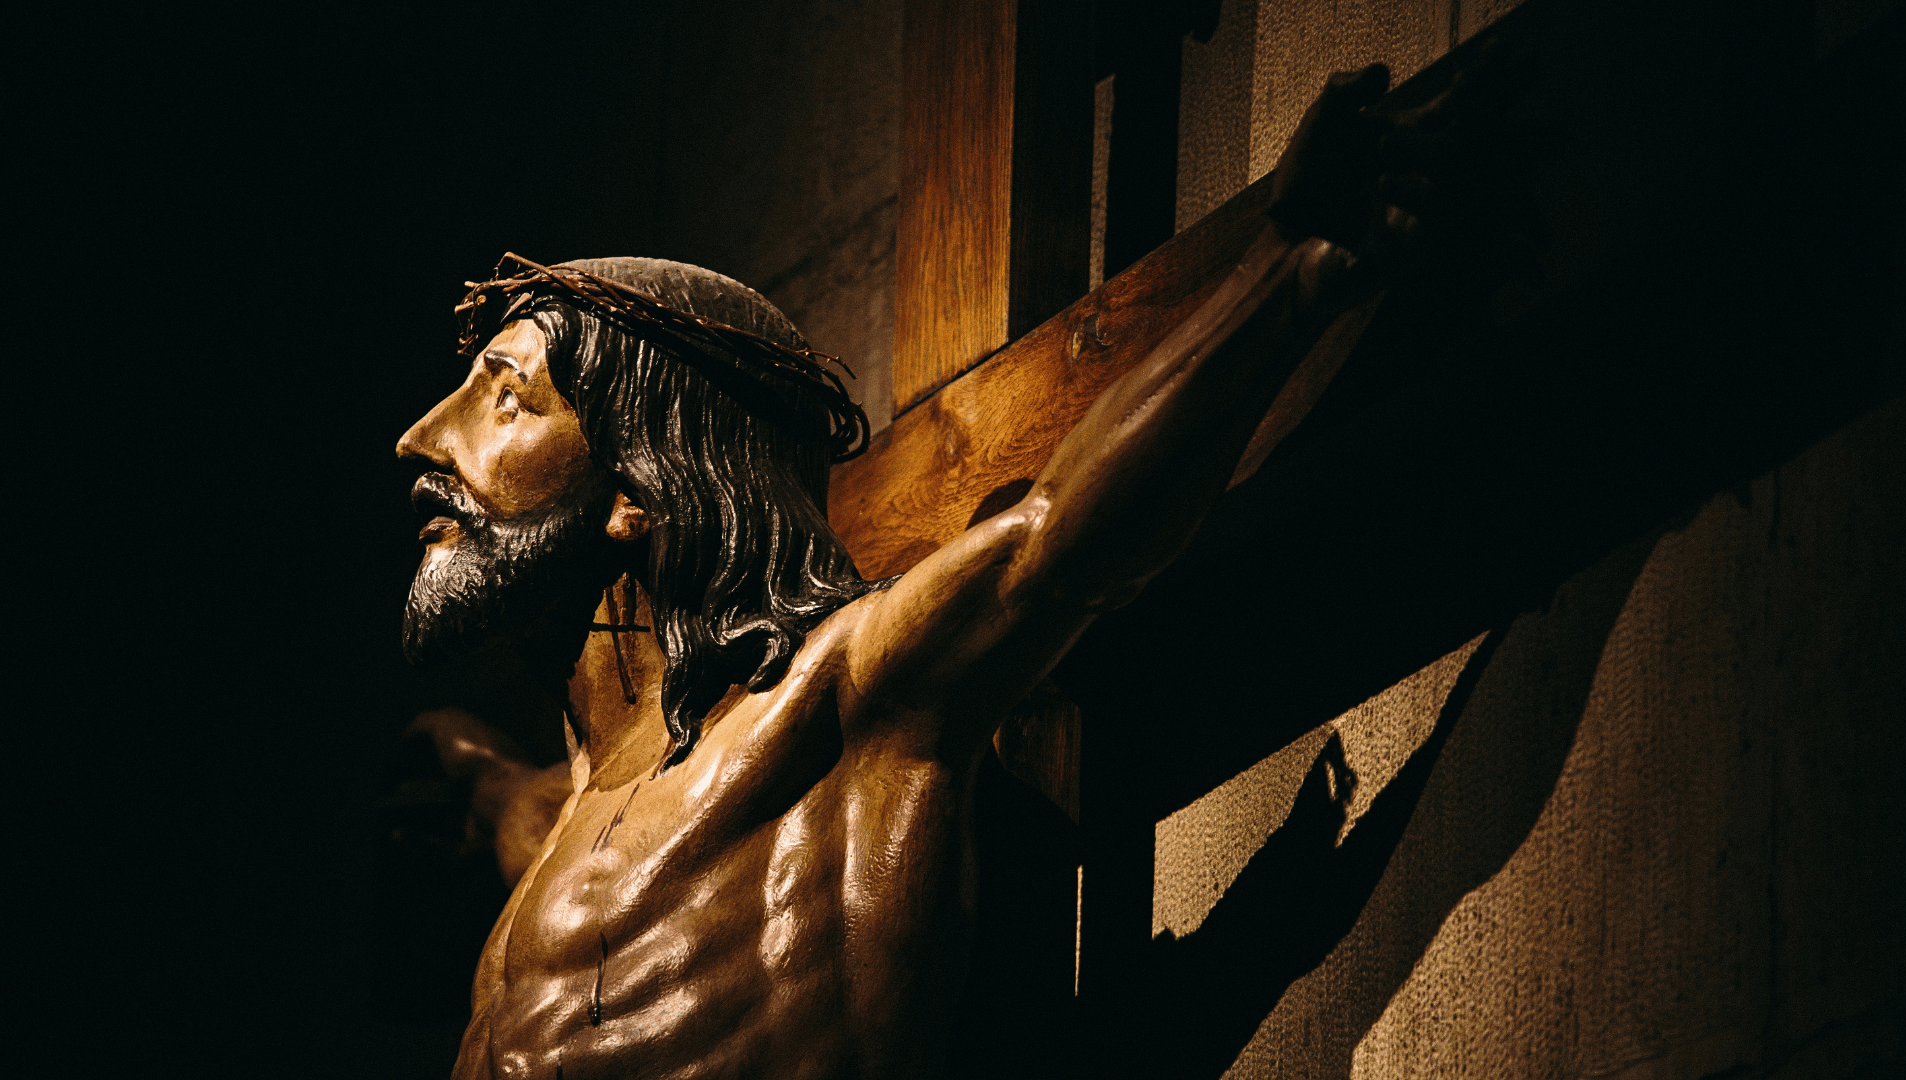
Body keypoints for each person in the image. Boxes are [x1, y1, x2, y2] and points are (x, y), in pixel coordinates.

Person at [398, 66, 1414, 1079]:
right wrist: (457, 757)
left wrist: (1293, 266)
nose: (416, 440)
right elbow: (495, 794)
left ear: (641, 490)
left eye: (507, 398)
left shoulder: (836, 709)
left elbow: (1053, 549)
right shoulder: (554, 824)